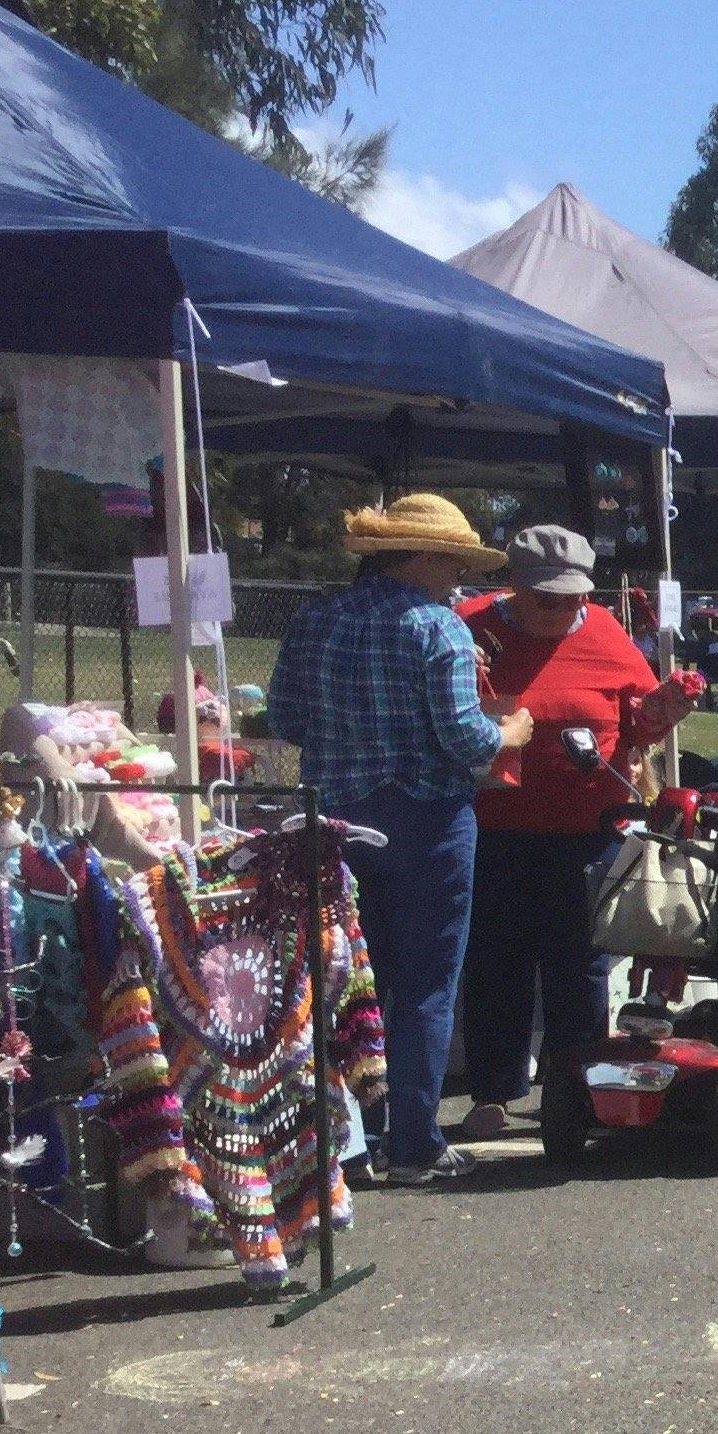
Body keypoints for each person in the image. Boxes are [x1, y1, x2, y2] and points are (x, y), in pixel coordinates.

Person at [267, 493, 532, 1186]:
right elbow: (467, 741)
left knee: (339, 980)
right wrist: (511, 731)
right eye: (451, 561)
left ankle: (342, 1140)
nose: (457, 577)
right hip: (427, 820)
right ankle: (412, 1140)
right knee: (423, 984)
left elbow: (287, 719)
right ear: (418, 557)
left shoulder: (315, 617)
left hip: (333, 818)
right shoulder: (437, 628)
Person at [455, 525, 696, 1141]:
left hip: (588, 829)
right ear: (516, 585)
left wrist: (657, 717)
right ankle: (492, 1091)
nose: (564, 609)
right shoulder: (469, 624)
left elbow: (635, 722)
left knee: (581, 965)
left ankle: (576, 1088)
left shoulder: (606, 633)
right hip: (494, 827)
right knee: (496, 962)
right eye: (548, 597)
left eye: (574, 597)